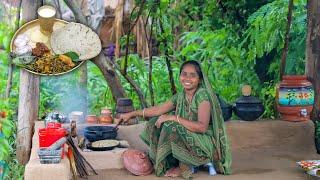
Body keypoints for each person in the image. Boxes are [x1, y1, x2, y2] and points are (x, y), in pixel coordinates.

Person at [119, 60, 232, 179]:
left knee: (171, 125)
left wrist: (174, 117)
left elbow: (202, 127)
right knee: (154, 122)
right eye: (184, 74)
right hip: (189, 138)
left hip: (205, 143)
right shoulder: (181, 96)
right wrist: (132, 113)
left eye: (192, 75)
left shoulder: (202, 95)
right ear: (180, 76)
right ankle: (165, 161)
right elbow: (158, 110)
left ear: (200, 79)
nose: (187, 78)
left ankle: (184, 166)